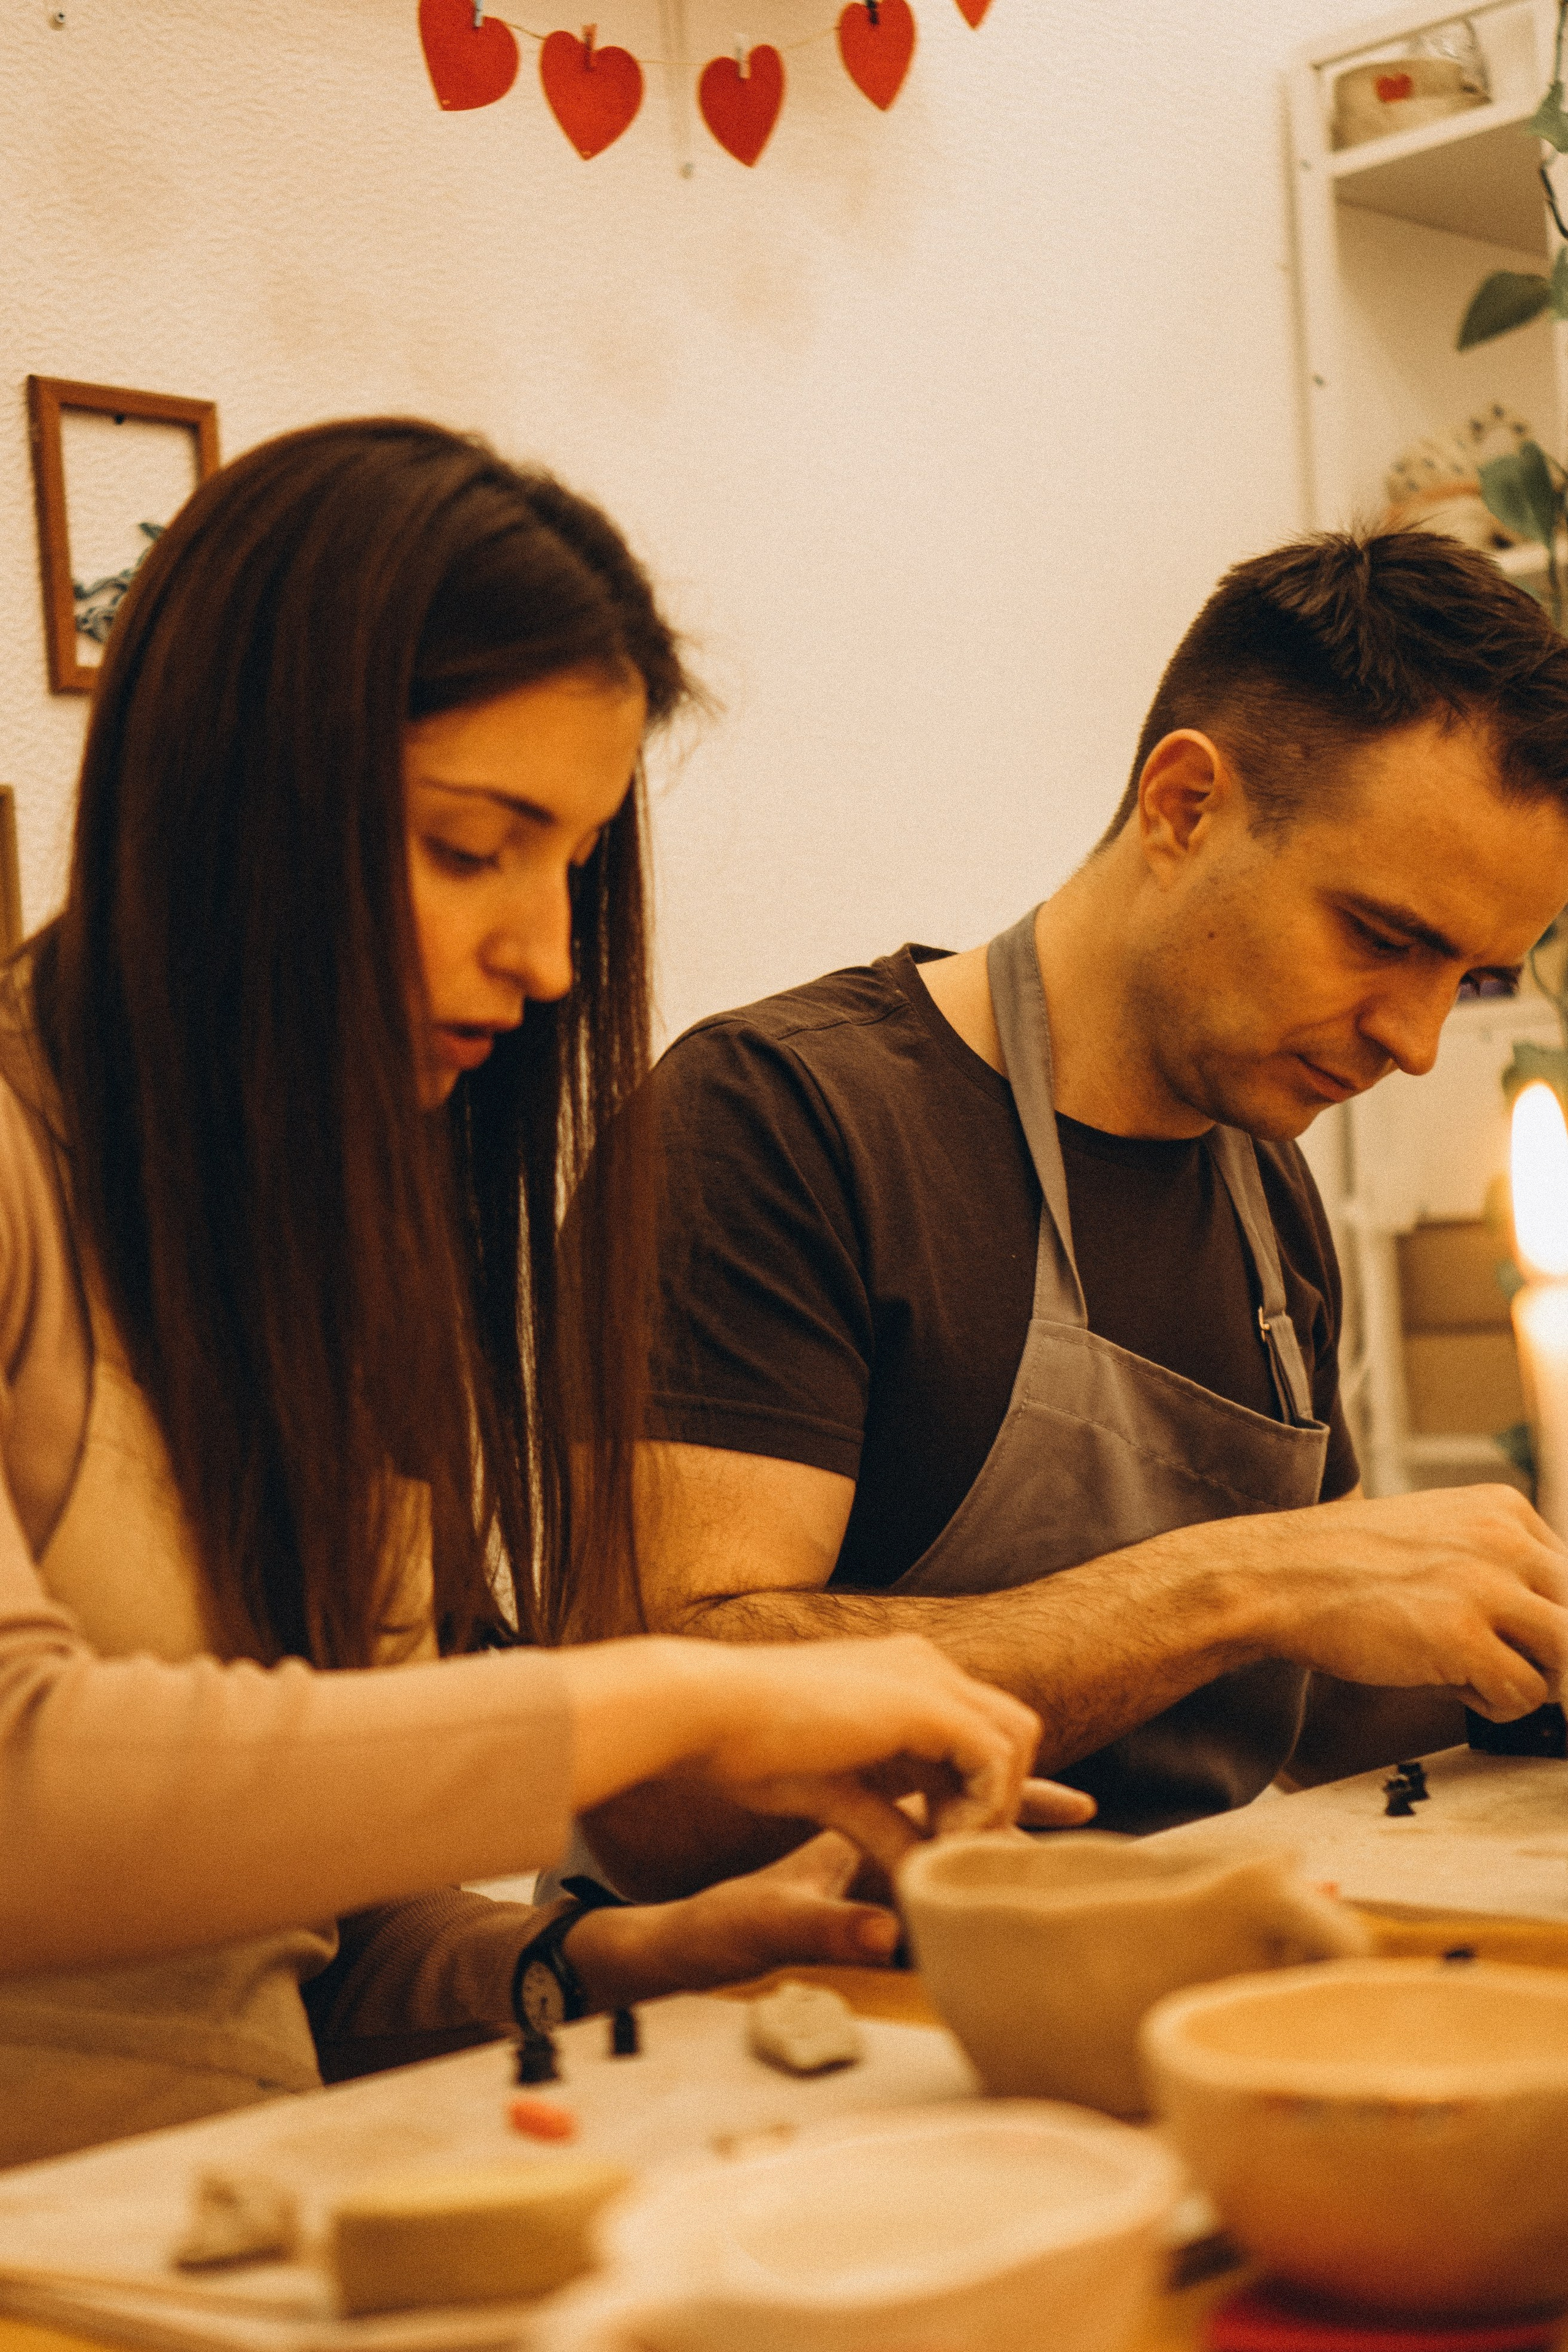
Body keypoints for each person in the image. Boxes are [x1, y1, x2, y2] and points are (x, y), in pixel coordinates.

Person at [0, 417, 1078, 2170]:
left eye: (570, 864)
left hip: (241, 2220)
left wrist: (610, 1961)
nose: (550, 959)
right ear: (227, 803)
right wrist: (684, 1697)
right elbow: (28, 1796)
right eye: (466, 848)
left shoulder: (330, 1259)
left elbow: (315, 1952)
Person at [617, 529, 1568, 1879]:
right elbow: (664, 1756)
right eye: (1380, 937)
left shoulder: (1264, 1189)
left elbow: (1328, 1693)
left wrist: (1509, 1632)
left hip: (1164, 1953)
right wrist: (1244, 1584)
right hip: (789, 1984)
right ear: (1182, 806)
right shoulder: (783, 1120)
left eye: (1468, 980)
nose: (1413, 1042)